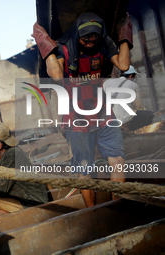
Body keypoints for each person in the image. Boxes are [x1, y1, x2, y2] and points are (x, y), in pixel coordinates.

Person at [33, 12, 133, 207]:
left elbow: (124, 64)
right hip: (75, 118)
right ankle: (92, 213)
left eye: (94, 37)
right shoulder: (63, 48)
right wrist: (46, 46)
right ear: (77, 36)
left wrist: (124, 38)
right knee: (85, 169)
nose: (90, 42)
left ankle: (117, 207)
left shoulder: (104, 43)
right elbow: (55, 75)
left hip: (103, 114)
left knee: (118, 160)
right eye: (86, 39)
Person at [103, 65, 153, 131]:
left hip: (110, 119)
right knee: (149, 115)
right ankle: (131, 131)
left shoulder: (107, 82)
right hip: (124, 120)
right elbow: (138, 106)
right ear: (130, 76)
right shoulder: (133, 85)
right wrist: (144, 111)